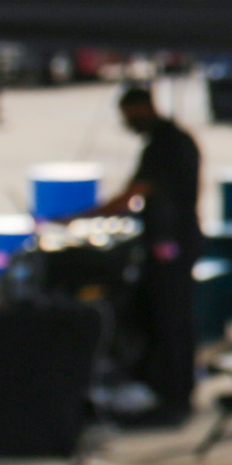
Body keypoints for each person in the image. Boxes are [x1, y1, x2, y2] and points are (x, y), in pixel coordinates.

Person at [91, 84, 204, 428]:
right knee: (171, 319)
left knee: (170, 320)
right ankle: (172, 391)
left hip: (171, 245)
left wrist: (85, 215)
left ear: (140, 108)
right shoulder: (173, 140)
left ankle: (174, 398)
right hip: (176, 241)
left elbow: (135, 193)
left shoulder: (165, 145)